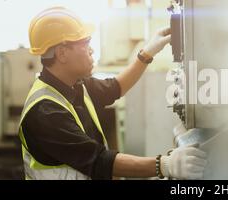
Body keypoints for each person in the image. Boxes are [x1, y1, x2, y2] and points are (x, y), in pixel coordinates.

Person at [18, 6, 207, 180]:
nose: (91, 50)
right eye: (85, 43)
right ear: (62, 53)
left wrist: (147, 53)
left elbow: (115, 87)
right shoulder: (45, 112)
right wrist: (165, 165)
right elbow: (98, 161)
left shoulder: (75, 85)